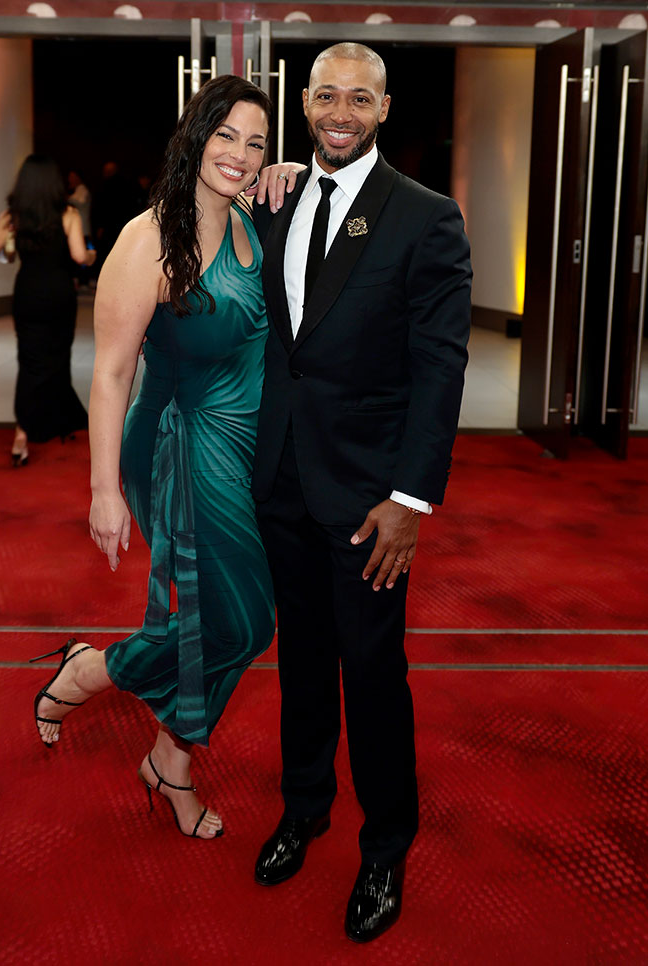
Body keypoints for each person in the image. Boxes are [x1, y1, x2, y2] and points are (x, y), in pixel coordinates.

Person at [251, 44, 471, 942]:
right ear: (305, 103)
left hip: (370, 501)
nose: (341, 112)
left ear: (384, 108)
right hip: (281, 481)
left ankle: (385, 847)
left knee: (374, 674)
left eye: (359, 99)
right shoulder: (277, 196)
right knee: (301, 663)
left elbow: (440, 368)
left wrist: (411, 501)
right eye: (326, 96)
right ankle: (305, 807)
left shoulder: (427, 216)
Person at [29, 75, 277, 841]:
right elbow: (110, 373)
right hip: (179, 446)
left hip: (239, 447)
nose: (240, 154)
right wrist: (103, 491)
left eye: (257, 143)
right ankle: (92, 674)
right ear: (195, 136)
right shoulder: (149, 239)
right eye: (225, 135)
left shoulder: (248, 219)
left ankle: (169, 760)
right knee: (243, 622)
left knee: (221, 622)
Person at [0, 155, 96, 465]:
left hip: (28, 293)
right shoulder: (68, 213)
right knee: (58, 356)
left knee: (30, 360)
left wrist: (9, 227)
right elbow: (79, 256)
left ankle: (23, 434)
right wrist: (91, 255)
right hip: (59, 294)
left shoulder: (14, 215)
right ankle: (53, 422)